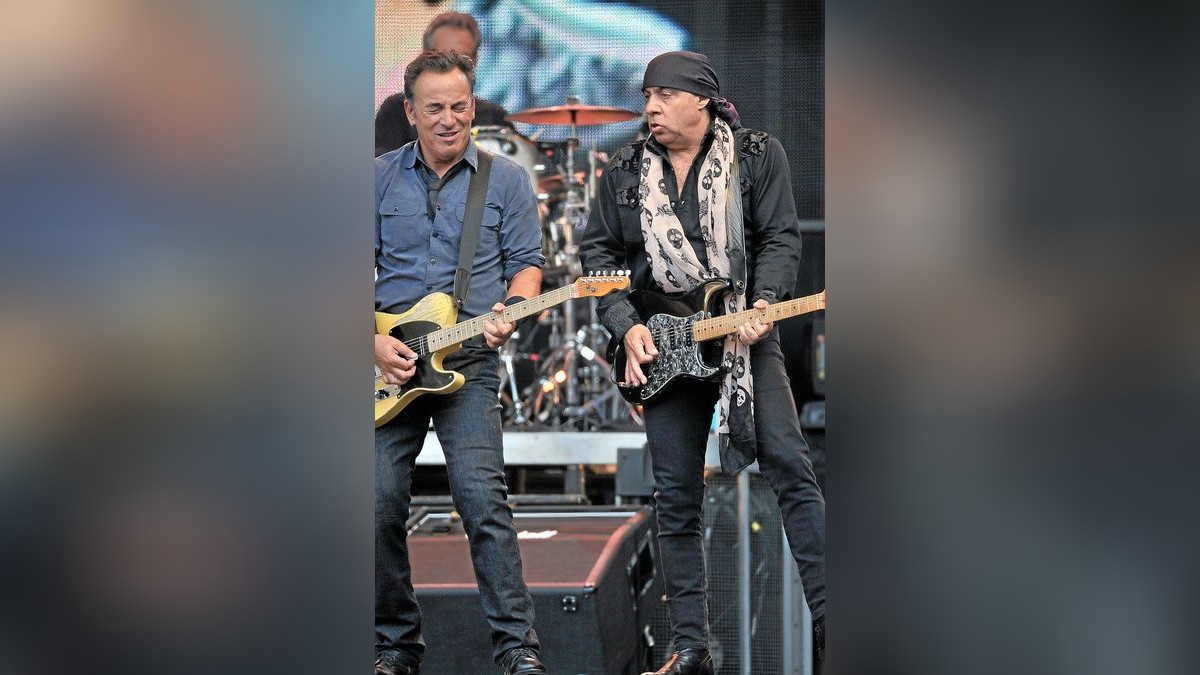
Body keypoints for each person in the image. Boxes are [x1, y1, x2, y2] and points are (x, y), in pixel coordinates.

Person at [579, 51, 826, 675]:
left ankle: (831, 621)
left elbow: (780, 237)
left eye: (664, 95)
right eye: (646, 97)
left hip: (740, 330)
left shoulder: (758, 156)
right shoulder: (625, 172)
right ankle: (692, 649)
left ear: (702, 99)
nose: (650, 108)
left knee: (791, 466)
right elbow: (599, 256)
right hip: (662, 345)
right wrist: (625, 326)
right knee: (676, 497)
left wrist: (766, 301)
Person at [374, 51, 547, 675]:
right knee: (374, 501)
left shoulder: (504, 181)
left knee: (482, 500)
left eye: (461, 107)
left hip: (468, 361)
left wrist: (516, 305)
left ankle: (518, 649)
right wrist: (370, 344)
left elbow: (528, 262)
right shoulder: (375, 179)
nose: (450, 120)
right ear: (411, 112)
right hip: (388, 364)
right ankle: (394, 645)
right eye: (437, 108)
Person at [375, 12, 512, 157]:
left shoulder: (496, 118)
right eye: (441, 55)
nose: (451, 66)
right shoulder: (396, 111)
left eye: (462, 57)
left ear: (475, 60)